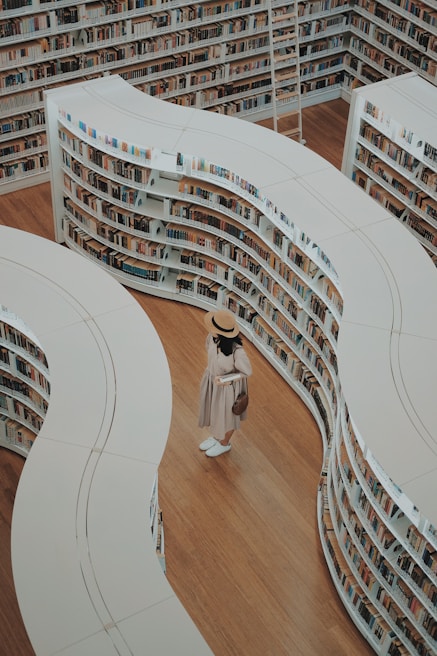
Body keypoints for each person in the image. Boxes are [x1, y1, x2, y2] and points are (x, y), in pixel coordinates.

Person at [198, 309, 252, 457]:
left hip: (228, 388)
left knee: (228, 416)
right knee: (215, 412)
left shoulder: (238, 352)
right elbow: (209, 351)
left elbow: (246, 372)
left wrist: (226, 380)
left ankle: (224, 443)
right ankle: (216, 437)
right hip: (212, 380)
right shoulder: (212, 338)